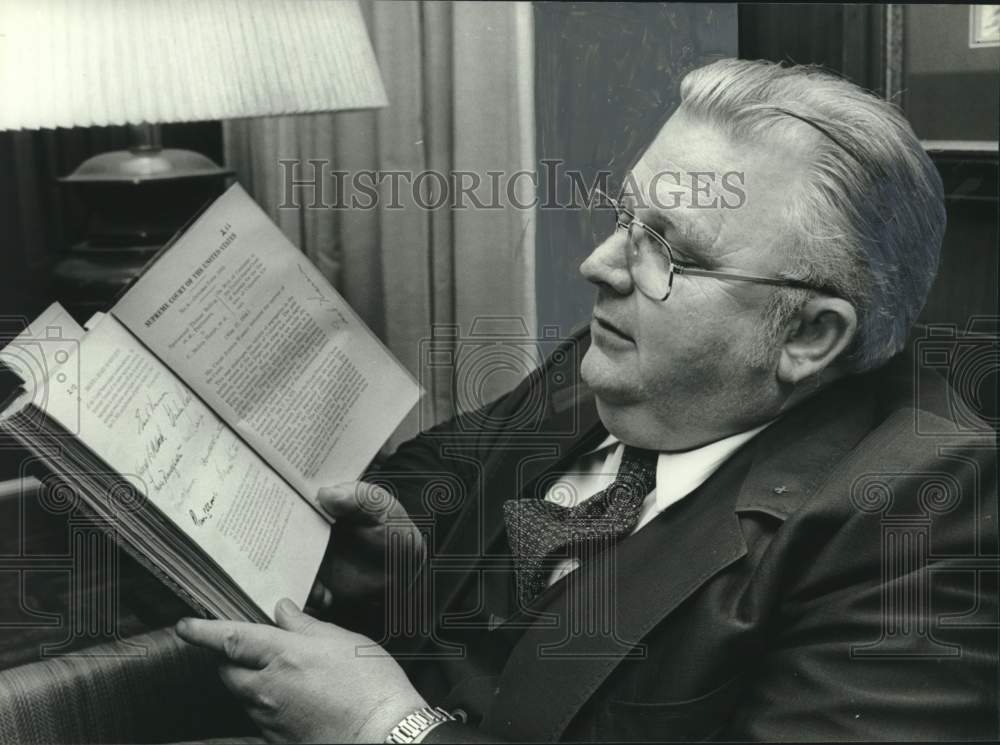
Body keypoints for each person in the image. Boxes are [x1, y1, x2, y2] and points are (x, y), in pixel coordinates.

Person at [176, 59, 998, 742]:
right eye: (626, 217)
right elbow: (438, 472)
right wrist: (408, 557)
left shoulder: (925, 518)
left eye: (668, 251)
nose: (600, 265)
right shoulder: (614, 358)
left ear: (810, 335)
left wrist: (387, 728)